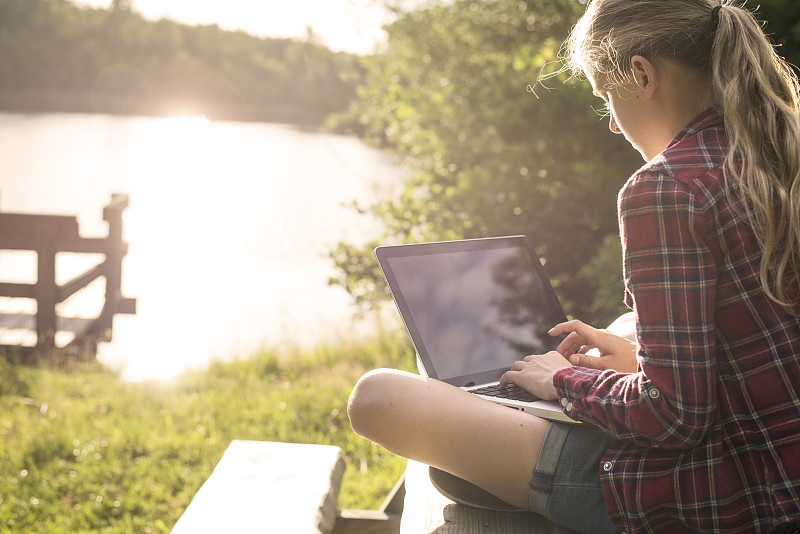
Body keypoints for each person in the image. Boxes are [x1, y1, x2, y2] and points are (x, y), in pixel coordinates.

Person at [346, 0, 800, 532]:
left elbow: (674, 416)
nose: (611, 123)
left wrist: (564, 382)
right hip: (778, 468)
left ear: (642, 74)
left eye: (606, 98)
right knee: (621, 329)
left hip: (722, 496)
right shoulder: (775, 155)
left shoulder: (666, 186)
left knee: (378, 396)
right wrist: (637, 358)